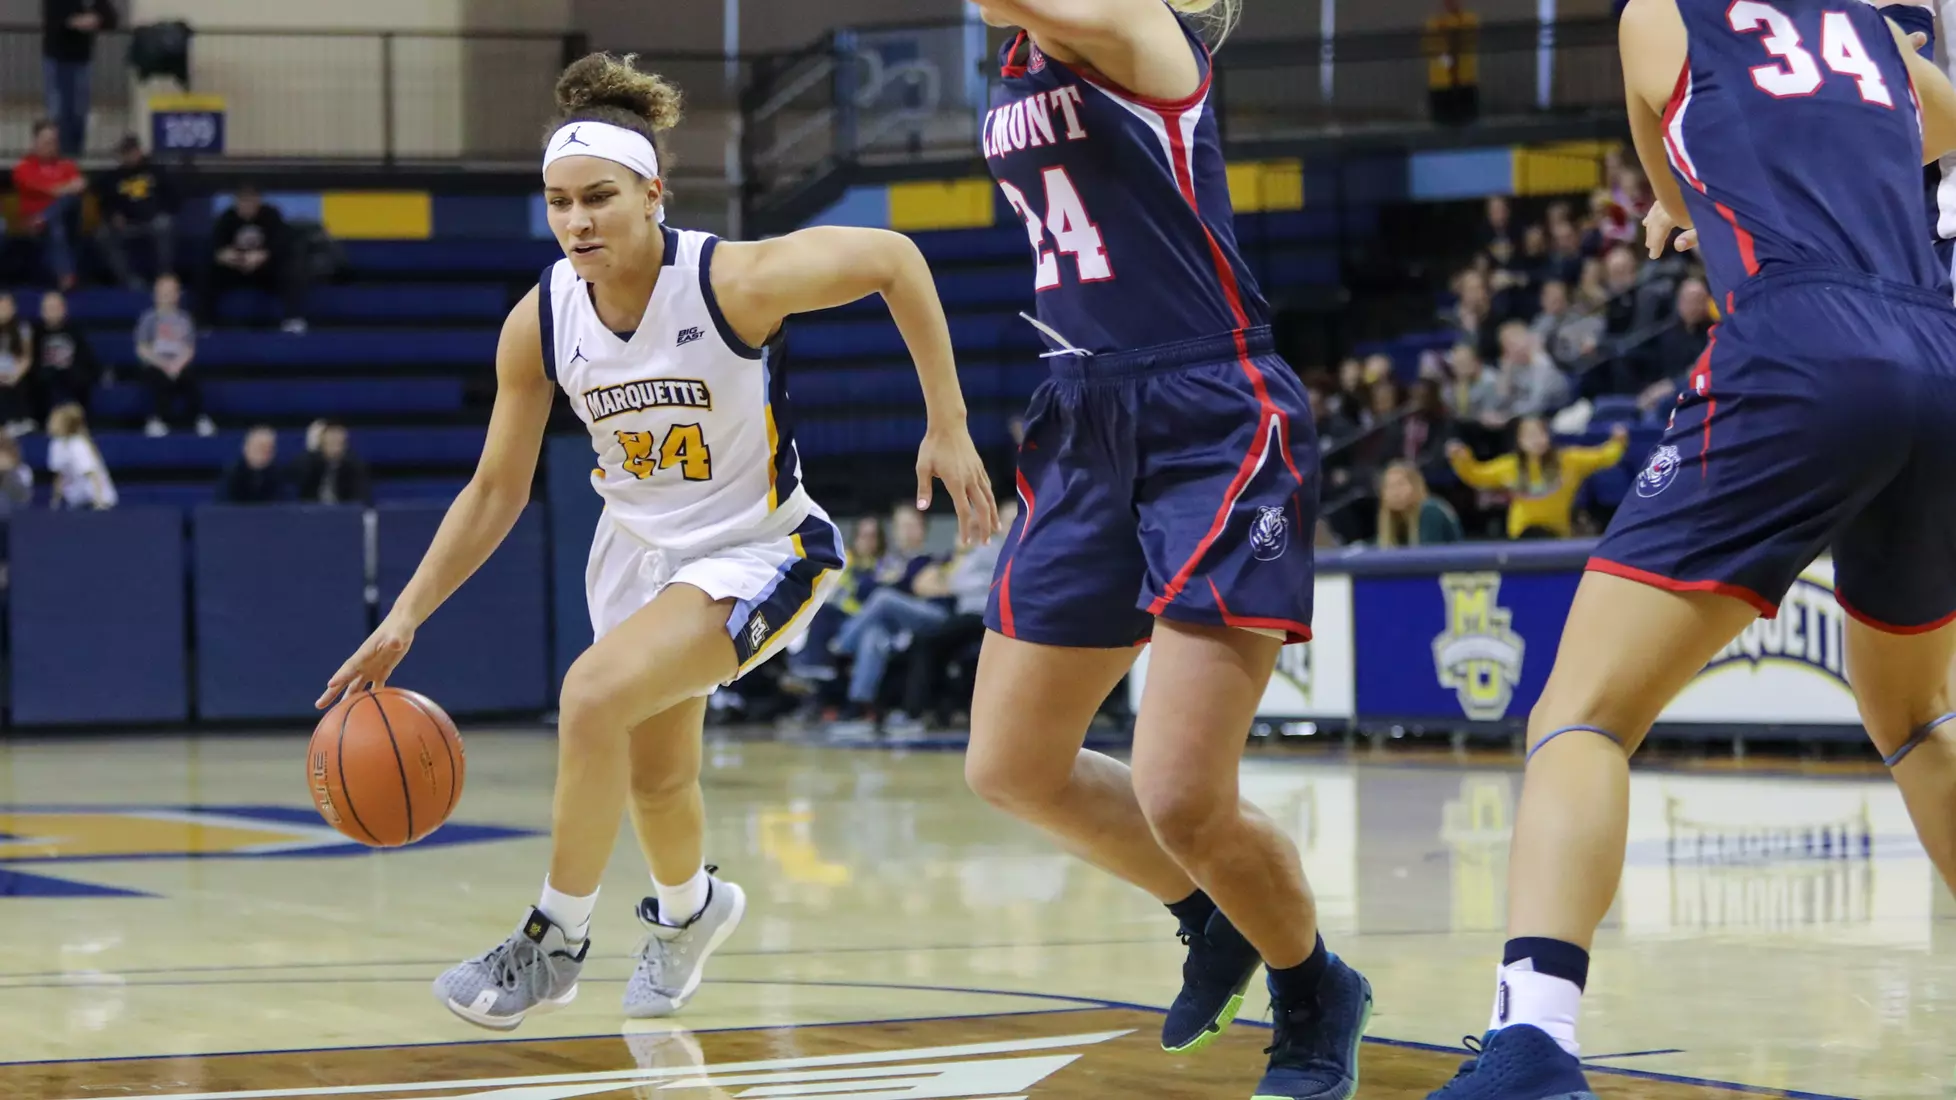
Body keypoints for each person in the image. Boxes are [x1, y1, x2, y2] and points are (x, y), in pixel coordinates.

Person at [314, 53, 994, 1033]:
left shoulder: (730, 280)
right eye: (559, 203)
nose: (578, 221)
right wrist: (406, 613)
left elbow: (895, 258)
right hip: (636, 554)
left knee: (590, 692)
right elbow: (496, 488)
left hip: (759, 547)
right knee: (657, 775)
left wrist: (948, 421)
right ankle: (691, 911)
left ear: (651, 193)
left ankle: (554, 938)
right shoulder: (539, 320)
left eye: (599, 197)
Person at [1425, 0, 1956, 1096]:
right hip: (1938, 349)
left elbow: (1661, 138)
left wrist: (1675, 208)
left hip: (1801, 341)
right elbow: (1935, 123)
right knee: (1914, 715)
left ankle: (1531, 1043)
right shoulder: (1866, 29)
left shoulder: (1657, 17)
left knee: (1582, 712)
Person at [964, 4, 1368, 1100]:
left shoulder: (1139, 27)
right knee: (1011, 763)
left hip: (1211, 410)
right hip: (1083, 412)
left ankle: (1315, 987)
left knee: (1184, 792)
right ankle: (1213, 915)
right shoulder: (1020, 47)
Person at [1445, 417, 1626, 540]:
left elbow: (1604, 457)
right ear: (1520, 441)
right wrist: (1460, 458)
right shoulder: (1510, 466)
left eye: (1540, 433)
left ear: (1548, 436)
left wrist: (1618, 441)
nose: (1536, 440)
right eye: (1529, 435)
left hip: (1558, 536)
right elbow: (1476, 475)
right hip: (1521, 538)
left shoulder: (1568, 460)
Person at [205, 185, 308, 332]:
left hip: (264, 271)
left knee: (291, 270)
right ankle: (204, 322)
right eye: (242, 202)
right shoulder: (227, 217)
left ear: (258, 201)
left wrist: (265, 254)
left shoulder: (271, 215)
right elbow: (215, 245)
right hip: (235, 269)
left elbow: (282, 242)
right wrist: (224, 254)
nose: (246, 206)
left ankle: (293, 318)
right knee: (207, 272)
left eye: (250, 201)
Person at [94, 135, 178, 290]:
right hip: (127, 225)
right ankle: (131, 281)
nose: (128, 156)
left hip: (152, 221)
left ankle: (164, 278)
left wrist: (158, 210)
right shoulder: (113, 176)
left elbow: (173, 197)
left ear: (139, 151)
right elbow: (104, 202)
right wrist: (113, 215)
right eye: (124, 153)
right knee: (103, 235)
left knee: (164, 224)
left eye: (131, 152)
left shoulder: (156, 171)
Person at [136, 274, 212, 437]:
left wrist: (177, 365)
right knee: (158, 381)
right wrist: (164, 364)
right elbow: (142, 348)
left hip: (179, 362)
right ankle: (158, 419)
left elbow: (189, 348)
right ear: (155, 295)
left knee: (191, 379)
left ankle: (199, 418)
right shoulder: (148, 319)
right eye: (163, 293)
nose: (167, 297)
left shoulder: (185, 319)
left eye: (171, 292)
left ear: (178, 294)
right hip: (156, 363)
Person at [12, 120, 84, 289]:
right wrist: (63, 188)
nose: (51, 146)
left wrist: (59, 192)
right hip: (34, 225)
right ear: (35, 142)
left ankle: (45, 217)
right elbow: (51, 190)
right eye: (46, 141)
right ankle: (66, 276)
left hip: (67, 221)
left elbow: (80, 185)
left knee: (69, 203)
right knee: (55, 225)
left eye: (54, 141)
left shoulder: (67, 165)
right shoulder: (24, 167)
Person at [41, 0, 115, 156]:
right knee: (58, 111)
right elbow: (54, 19)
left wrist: (96, 19)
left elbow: (111, 18)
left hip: (82, 60)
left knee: (79, 113)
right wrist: (75, 22)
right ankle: (57, 156)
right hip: (58, 59)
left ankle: (75, 155)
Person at [33, 290, 98, 417]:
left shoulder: (75, 332)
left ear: (64, 309)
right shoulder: (36, 334)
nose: (53, 312)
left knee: (75, 377)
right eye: (49, 308)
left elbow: (87, 360)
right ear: (42, 311)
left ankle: (74, 419)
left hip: (71, 379)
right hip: (45, 382)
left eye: (56, 307)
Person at [1374, 460, 1462, 547]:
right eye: (1389, 487)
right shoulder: (1396, 517)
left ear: (1415, 486)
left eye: (1400, 484)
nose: (1395, 492)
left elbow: (1428, 554)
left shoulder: (1431, 510)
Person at [45, 402, 114, 510]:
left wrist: (99, 502)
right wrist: (55, 502)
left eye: (54, 421)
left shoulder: (78, 445)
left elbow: (93, 475)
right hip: (76, 501)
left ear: (65, 425)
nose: (49, 423)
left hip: (95, 500)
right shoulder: (56, 444)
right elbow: (59, 476)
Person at [293, 421, 372, 505]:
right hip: (312, 513)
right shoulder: (311, 463)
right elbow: (296, 476)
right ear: (322, 443)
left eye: (339, 443)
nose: (335, 447)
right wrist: (311, 450)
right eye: (331, 442)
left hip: (343, 514)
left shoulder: (353, 466)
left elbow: (360, 499)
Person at [217, 426, 287, 504]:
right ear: (246, 448)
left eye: (269, 448)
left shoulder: (280, 476)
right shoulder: (231, 475)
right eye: (259, 447)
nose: (264, 452)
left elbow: (286, 507)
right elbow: (222, 506)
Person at [0, 294, 37, 437]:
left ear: (14, 309)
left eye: (7, 306)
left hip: (15, 371)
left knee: (18, 383)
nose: (4, 310)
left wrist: (16, 375)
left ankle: (20, 420)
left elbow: (27, 357)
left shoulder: (22, 327)